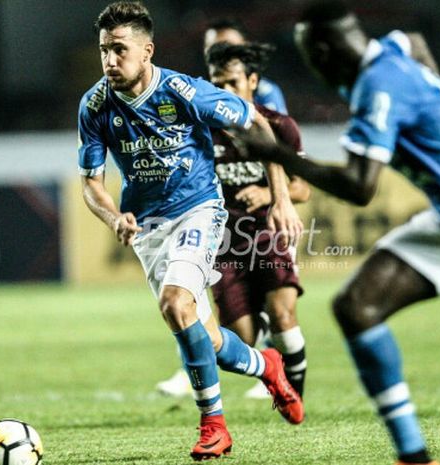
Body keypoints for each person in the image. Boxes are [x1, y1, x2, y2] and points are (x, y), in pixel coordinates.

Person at [236, 2, 440, 464]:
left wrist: (279, 153)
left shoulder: (378, 86)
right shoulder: (389, 52)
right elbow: (412, 39)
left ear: (321, 49)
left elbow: (359, 188)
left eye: (308, 55)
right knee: (357, 307)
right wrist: (439, 92)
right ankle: (414, 458)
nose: (312, 67)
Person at [77, 2, 304, 460]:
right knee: (208, 337)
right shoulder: (95, 105)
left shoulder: (184, 90)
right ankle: (267, 363)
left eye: (119, 49)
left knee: (174, 303)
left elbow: (258, 123)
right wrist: (112, 216)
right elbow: (90, 182)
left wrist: (280, 196)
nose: (109, 61)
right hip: (148, 228)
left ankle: (214, 427)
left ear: (148, 51)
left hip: (199, 211)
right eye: (104, 50)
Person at [157, 42, 311, 401]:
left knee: (283, 315)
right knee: (241, 336)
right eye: (217, 83)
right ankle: (273, 366)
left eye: (232, 83)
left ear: (253, 80)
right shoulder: (199, 129)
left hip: (267, 235)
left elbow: (301, 187)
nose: (225, 92)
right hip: (219, 244)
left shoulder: (279, 125)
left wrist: (268, 194)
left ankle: (295, 396)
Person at [204, 18, 289, 115]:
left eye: (229, 46)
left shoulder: (266, 92)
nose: (221, 52)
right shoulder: (196, 90)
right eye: (212, 47)